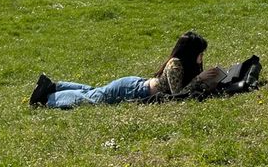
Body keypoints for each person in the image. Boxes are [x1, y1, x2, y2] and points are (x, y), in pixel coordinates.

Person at [29, 30, 221, 109]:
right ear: (190, 52)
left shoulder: (185, 64)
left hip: (136, 84)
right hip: (133, 89)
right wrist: (200, 79)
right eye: (200, 53)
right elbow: (178, 94)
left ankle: (55, 86)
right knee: (94, 98)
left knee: (95, 91)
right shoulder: (176, 64)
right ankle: (47, 99)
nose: (202, 56)